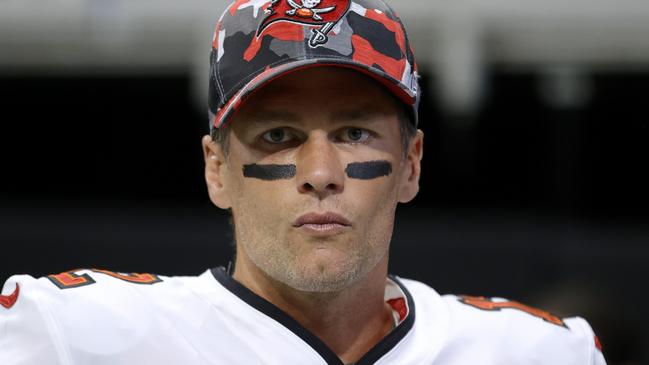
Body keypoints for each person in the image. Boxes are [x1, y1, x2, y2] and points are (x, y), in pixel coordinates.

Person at [0, 0, 606, 364]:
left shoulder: (538, 353)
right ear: (216, 170)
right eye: (278, 136)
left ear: (413, 163)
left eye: (353, 134)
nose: (320, 175)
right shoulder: (74, 334)